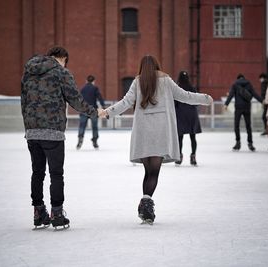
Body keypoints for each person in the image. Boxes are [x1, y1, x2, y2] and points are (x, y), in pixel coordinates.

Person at [100, 55, 213, 224]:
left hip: (144, 133)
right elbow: (185, 96)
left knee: (148, 172)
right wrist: (204, 98)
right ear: (157, 66)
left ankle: (145, 204)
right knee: (154, 172)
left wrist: (108, 111)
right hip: (160, 133)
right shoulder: (166, 80)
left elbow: (125, 102)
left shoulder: (138, 82)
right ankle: (146, 204)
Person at [21, 46, 100, 230]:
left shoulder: (28, 72)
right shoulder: (61, 73)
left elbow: (23, 101)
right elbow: (75, 100)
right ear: (63, 58)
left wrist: (29, 127)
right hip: (53, 132)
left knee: (37, 172)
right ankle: (56, 213)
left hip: (32, 131)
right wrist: (95, 113)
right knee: (56, 174)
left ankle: (39, 212)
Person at [224, 74, 263, 151]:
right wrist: (261, 101)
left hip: (238, 107)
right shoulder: (248, 84)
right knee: (248, 126)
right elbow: (254, 93)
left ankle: (238, 143)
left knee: (236, 125)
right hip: (247, 107)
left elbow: (231, 94)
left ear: (238, 78)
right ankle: (250, 143)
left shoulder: (235, 84)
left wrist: (226, 104)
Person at [174, 71, 202, 166]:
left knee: (180, 138)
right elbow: (197, 101)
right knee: (193, 137)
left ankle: (179, 156)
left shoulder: (177, 88)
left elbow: (174, 104)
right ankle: (193, 156)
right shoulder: (192, 88)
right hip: (191, 115)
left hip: (181, 115)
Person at [76, 75, 105, 149]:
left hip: (84, 110)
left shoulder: (83, 89)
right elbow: (99, 97)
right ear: (93, 81)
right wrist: (103, 106)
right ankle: (95, 141)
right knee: (94, 127)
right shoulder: (95, 88)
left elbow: (79, 99)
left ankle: (80, 139)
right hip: (93, 110)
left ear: (86, 81)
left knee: (82, 126)